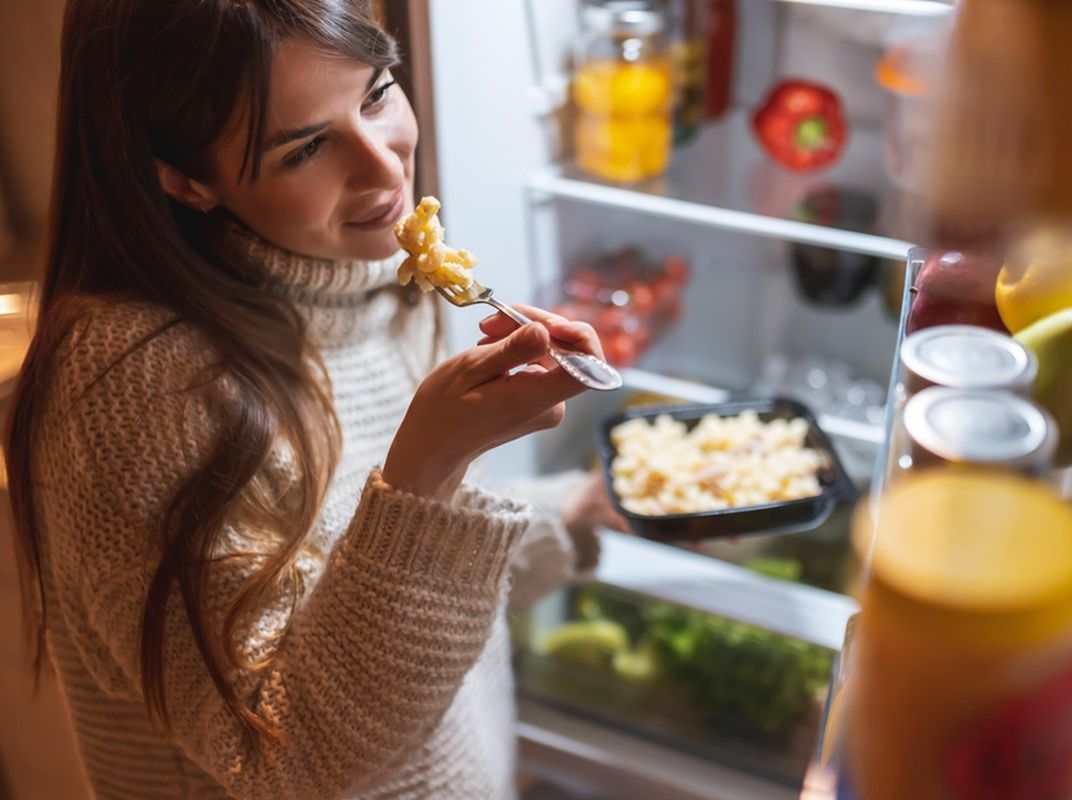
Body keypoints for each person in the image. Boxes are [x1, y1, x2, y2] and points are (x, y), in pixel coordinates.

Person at [3, 1, 623, 797]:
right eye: (305, 148)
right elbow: (288, 760)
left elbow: (366, 585)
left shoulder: (388, 282)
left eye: (376, 94)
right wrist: (428, 469)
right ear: (186, 181)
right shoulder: (131, 386)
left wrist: (581, 505)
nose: (384, 167)